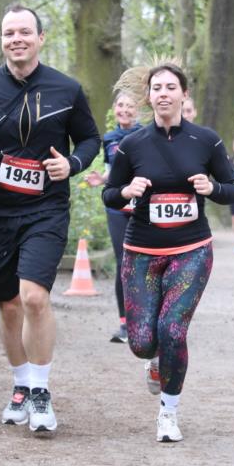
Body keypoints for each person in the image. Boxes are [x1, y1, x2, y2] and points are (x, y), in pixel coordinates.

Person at [0, 4, 100, 434]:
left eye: (25, 32)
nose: (17, 39)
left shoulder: (67, 89)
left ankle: (42, 392)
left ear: (40, 38)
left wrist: (74, 163)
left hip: (45, 209)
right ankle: (20, 386)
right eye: (9, 33)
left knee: (34, 298)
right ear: (2, 40)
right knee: (9, 305)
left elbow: (89, 138)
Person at [102, 60, 234, 442]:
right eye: (156, 88)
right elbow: (109, 195)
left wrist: (212, 189)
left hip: (191, 249)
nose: (163, 93)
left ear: (183, 94)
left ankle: (168, 412)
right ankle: (155, 361)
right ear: (149, 97)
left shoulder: (205, 140)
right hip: (142, 251)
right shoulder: (131, 145)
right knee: (142, 341)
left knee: (172, 329)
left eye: (170, 87)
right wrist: (126, 193)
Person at [84, 91, 142, 342]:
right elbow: (112, 171)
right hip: (117, 206)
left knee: (146, 262)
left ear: (138, 111)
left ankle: (147, 321)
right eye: (121, 105)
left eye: (130, 106)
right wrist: (101, 180)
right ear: (114, 109)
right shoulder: (108, 138)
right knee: (123, 262)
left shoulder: (147, 135)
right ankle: (125, 324)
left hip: (143, 206)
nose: (125, 110)